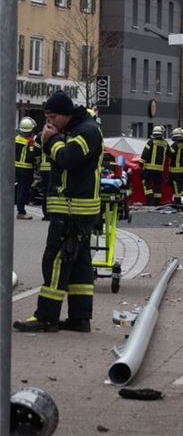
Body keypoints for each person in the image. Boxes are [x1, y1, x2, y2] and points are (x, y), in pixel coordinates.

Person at [14, 91, 102, 333]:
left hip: (73, 210)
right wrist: (49, 140)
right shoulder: (73, 129)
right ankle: (80, 318)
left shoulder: (87, 131)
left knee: (55, 261)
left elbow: (66, 158)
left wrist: (52, 140)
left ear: (65, 114)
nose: (49, 122)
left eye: (52, 116)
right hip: (75, 209)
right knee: (79, 265)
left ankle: (46, 316)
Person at [14, 117, 39, 220]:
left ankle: (21, 210)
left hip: (16, 168)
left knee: (20, 189)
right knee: (23, 190)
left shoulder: (16, 139)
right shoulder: (29, 142)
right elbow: (31, 157)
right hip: (26, 169)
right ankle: (21, 212)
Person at [140, 125, 169, 205]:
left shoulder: (151, 142)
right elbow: (171, 153)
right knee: (158, 185)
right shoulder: (165, 143)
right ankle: (157, 202)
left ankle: (150, 201)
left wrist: (141, 164)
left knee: (147, 183)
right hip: (159, 169)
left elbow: (145, 153)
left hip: (149, 168)